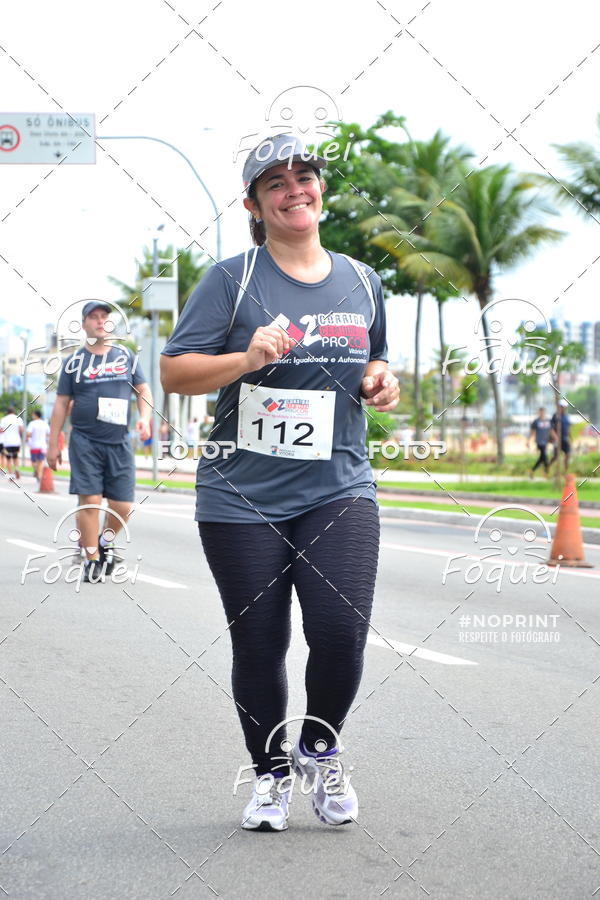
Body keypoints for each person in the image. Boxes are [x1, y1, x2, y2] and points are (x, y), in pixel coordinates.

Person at [161, 134, 399, 832]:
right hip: (242, 496)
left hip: (339, 485)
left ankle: (319, 748)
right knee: (260, 644)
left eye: (304, 177)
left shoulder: (361, 279)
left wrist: (379, 380)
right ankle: (268, 776)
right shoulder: (231, 280)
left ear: (319, 189)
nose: (295, 190)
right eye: (276, 184)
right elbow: (175, 372)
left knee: (340, 633)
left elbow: (374, 357)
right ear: (255, 205)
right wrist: (244, 356)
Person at [47, 301, 153, 583]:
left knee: (122, 506)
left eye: (104, 317)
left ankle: (105, 543)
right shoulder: (74, 362)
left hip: (118, 441)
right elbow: (60, 405)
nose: (100, 321)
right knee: (90, 501)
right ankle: (92, 559)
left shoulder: (125, 356)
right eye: (93, 317)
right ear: (84, 325)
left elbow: (143, 390)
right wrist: (53, 444)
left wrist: (144, 417)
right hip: (84, 440)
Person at [0, 406, 24, 480]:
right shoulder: (18, 418)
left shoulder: (4, 419)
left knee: (9, 458)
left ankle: (11, 474)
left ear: (7, 412)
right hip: (16, 441)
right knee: (15, 457)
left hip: (7, 442)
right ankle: (17, 469)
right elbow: (21, 430)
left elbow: (1, 430)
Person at [528, 406, 551, 478]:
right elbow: (532, 432)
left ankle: (532, 470)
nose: (542, 413)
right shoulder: (536, 421)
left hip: (546, 441)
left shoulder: (548, 421)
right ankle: (546, 472)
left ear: (544, 412)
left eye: (543, 412)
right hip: (539, 442)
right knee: (544, 457)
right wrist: (528, 441)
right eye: (540, 412)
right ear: (539, 413)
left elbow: (551, 430)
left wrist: (555, 437)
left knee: (542, 458)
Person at [26, 410, 50, 481]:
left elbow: (29, 434)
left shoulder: (32, 423)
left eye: (33, 415)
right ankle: (39, 474)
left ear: (36, 415)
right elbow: (48, 434)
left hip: (34, 445)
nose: (32, 416)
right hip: (43, 446)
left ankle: (36, 470)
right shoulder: (45, 424)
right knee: (41, 460)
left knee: (34, 461)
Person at [548, 399, 571, 472]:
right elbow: (551, 428)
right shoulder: (555, 416)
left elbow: (568, 428)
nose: (563, 408)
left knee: (568, 454)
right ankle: (547, 467)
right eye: (562, 406)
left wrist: (570, 438)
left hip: (565, 439)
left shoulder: (566, 416)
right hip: (557, 439)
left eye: (564, 407)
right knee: (556, 456)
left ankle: (566, 471)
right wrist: (555, 437)